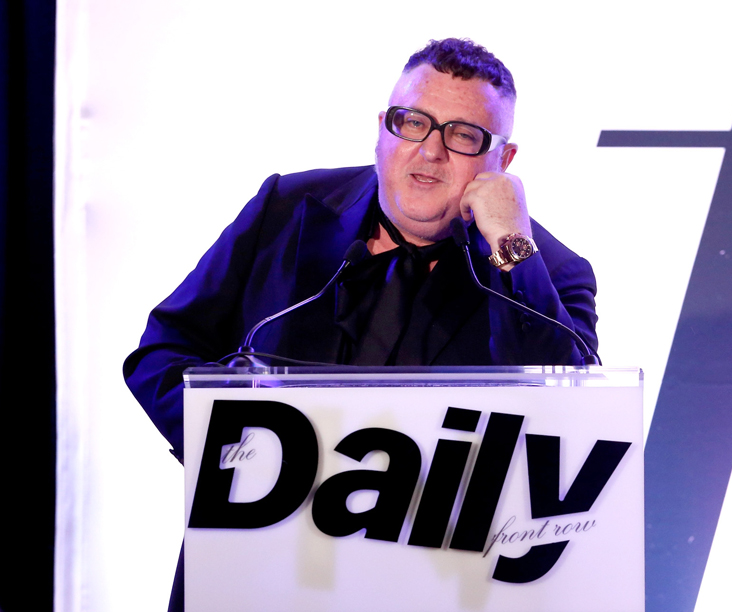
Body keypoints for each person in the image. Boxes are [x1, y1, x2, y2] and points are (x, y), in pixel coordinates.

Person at [124, 37, 599, 611]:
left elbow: (569, 415)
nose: (430, 151)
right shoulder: (288, 206)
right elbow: (163, 351)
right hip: (248, 578)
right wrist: (240, 458)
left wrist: (512, 245)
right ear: (382, 128)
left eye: (464, 136)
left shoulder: (548, 270)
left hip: (424, 590)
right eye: (413, 123)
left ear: (502, 160)